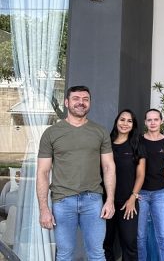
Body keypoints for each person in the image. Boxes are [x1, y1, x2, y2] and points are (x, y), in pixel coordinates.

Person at [37, 86, 116, 261]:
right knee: (64, 254)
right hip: (62, 201)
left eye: (85, 99)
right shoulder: (51, 133)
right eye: (76, 98)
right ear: (66, 102)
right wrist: (44, 209)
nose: (81, 102)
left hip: (93, 200)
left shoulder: (100, 131)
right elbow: (43, 172)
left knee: (97, 253)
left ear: (90, 103)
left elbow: (108, 166)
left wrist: (110, 200)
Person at [104, 109, 146, 261]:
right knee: (106, 242)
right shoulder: (106, 143)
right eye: (122, 119)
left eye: (129, 121)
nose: (125, 123)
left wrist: (133, 198)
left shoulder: (137, 144)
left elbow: (141, 175)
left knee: (129, 242)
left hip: (128, 201)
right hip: (105, 201)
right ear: (116, 121)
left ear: (133, 125)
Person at [138, 108, 164, 261]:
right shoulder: (139, 140)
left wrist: (159, 175)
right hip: (141, 194)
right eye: (149, 120)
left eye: (156, 119)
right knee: (140, 236)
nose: (153, 122)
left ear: (161, 121)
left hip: (160, 193)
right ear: (145, 122)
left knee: (163, 235)